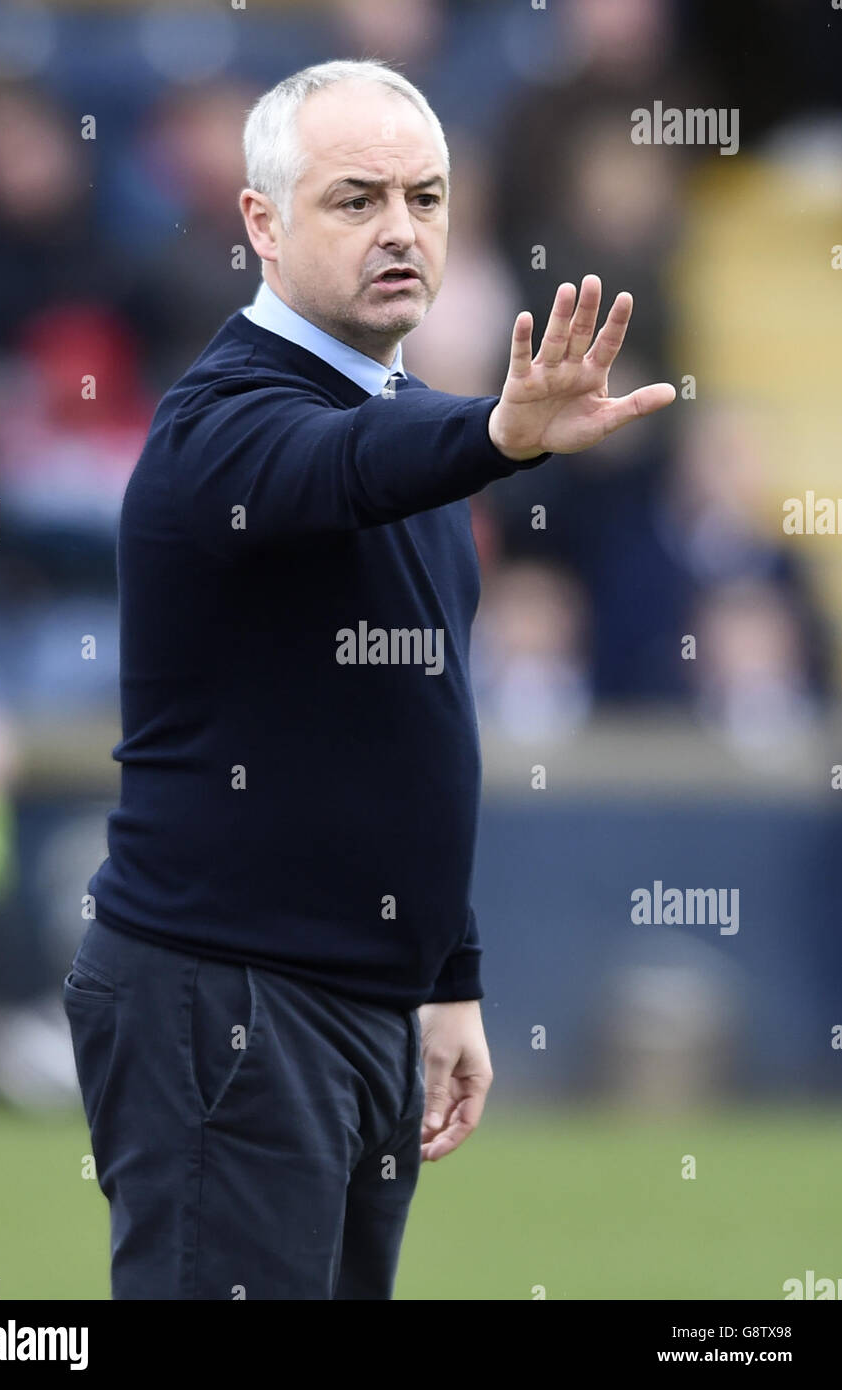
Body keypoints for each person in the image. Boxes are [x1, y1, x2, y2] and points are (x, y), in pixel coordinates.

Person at [64, 57, 674, 1301]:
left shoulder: (412, 434)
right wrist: (497, 433)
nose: (401, 228)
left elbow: (417, 724)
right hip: (222, 994)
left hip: (358, 1003)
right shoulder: (219, 423)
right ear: (260, 224)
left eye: (427, 196)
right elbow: (335, 464)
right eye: (355, 200)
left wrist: (445, 974)